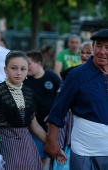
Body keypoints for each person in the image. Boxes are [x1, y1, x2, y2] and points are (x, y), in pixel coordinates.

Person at [44, 29, 108, 170]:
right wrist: (52, 141)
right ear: (93, 47)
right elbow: (58, 111)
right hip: (85, 152)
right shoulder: (76, 76)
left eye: (107, 47)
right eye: (99, 46)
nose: (102, 51)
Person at [52, 41, 93, 170]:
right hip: (69, 122)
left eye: (88, 52)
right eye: (82, 52)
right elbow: (60, 97)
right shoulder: (71, 73)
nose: (84, 55)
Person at [24, 50, 61, 168]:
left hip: (50, 125)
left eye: (28, 63)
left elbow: (62, 98)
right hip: (33, 124)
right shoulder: (25, 80)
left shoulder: (52, 77)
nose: (25, 67)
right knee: (35, 155)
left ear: (38, 63)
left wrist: (53, 114)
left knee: (46, 155)